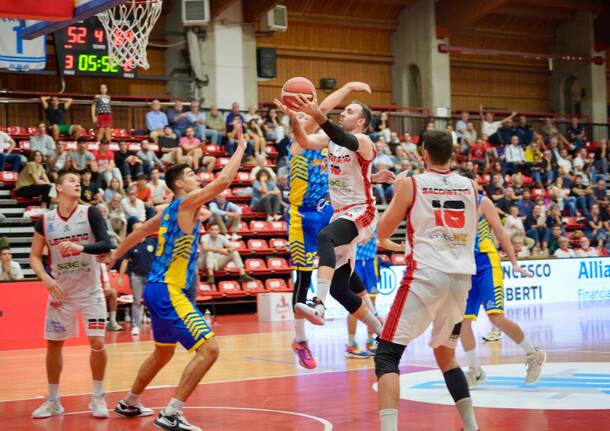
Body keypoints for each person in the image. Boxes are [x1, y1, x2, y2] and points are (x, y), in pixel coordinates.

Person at [100, 123, 248, 430]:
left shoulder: (169, 210)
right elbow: (223, 181)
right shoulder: (185, 202)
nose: (197, 177)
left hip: (157, 289)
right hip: (169, 290)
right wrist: (242, 149)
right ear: (179, 184)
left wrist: (115, 256)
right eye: (191, 175)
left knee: (162, 353)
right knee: (210, 350)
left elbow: (140, 231)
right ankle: (171, 413)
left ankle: (130, 401)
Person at [373, 130, 479, 431]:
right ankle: (471, 427)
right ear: (453, 153)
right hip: (461, 278)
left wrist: (398, 192)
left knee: (386, 355)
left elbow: (383, 231)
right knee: (446, 354)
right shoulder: (470, 186)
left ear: (423, 153)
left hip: (426, 274)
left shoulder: (411, 184)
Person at [281, 81, 376, 369]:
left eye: (306, 113)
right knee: (308, 277)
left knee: (349, 278)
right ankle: (302, 340)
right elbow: (317, 119)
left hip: (331, 211)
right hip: (303, 216)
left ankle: (373, 328)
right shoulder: (303, 140)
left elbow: (322, 113)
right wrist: (294, 117)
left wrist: (345, 89)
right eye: (300, 114)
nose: (305, 116)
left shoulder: (341, 137)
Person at [29, 170, 112, 419]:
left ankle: (98, 398)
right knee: (53, 344)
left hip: (90, 291)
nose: (77, 184)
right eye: (72, 180)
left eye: (79, 181)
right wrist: (44, 276)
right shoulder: (46, 220)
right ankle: (53, 401)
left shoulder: (90, 212)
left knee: (97, 343)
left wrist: (80, 247)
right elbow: (34, 255)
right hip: (61, 293)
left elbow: (106, 243)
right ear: (59, 188)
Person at [460, 182, 546, 389]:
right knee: (462, 321)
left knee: (495, 316)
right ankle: (475, 371)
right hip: (464, 269)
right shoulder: (451, 205)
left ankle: (534, 354)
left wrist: (514, 262)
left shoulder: (483, 202)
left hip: (487, 264)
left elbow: (500, 232)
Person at [346, 235, 403, 359]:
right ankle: (351, 344)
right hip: (354, 262)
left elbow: (383, 239)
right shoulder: (351, 217)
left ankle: (371, 341)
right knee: (354, 304)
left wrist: (400, 247)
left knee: (372, 303)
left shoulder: (374, 219)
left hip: (371, 263)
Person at [118, 220, 157, 336]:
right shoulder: (131, 244)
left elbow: (158, 258)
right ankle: (136, 326)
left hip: (151, 276)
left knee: (152, 301)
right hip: (136, 277)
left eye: (141, 228)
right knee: (136, 301)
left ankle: (156, 324)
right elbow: (125, 261)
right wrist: (120, 277)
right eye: (136, 229)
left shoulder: (152, 242)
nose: (139, 231)